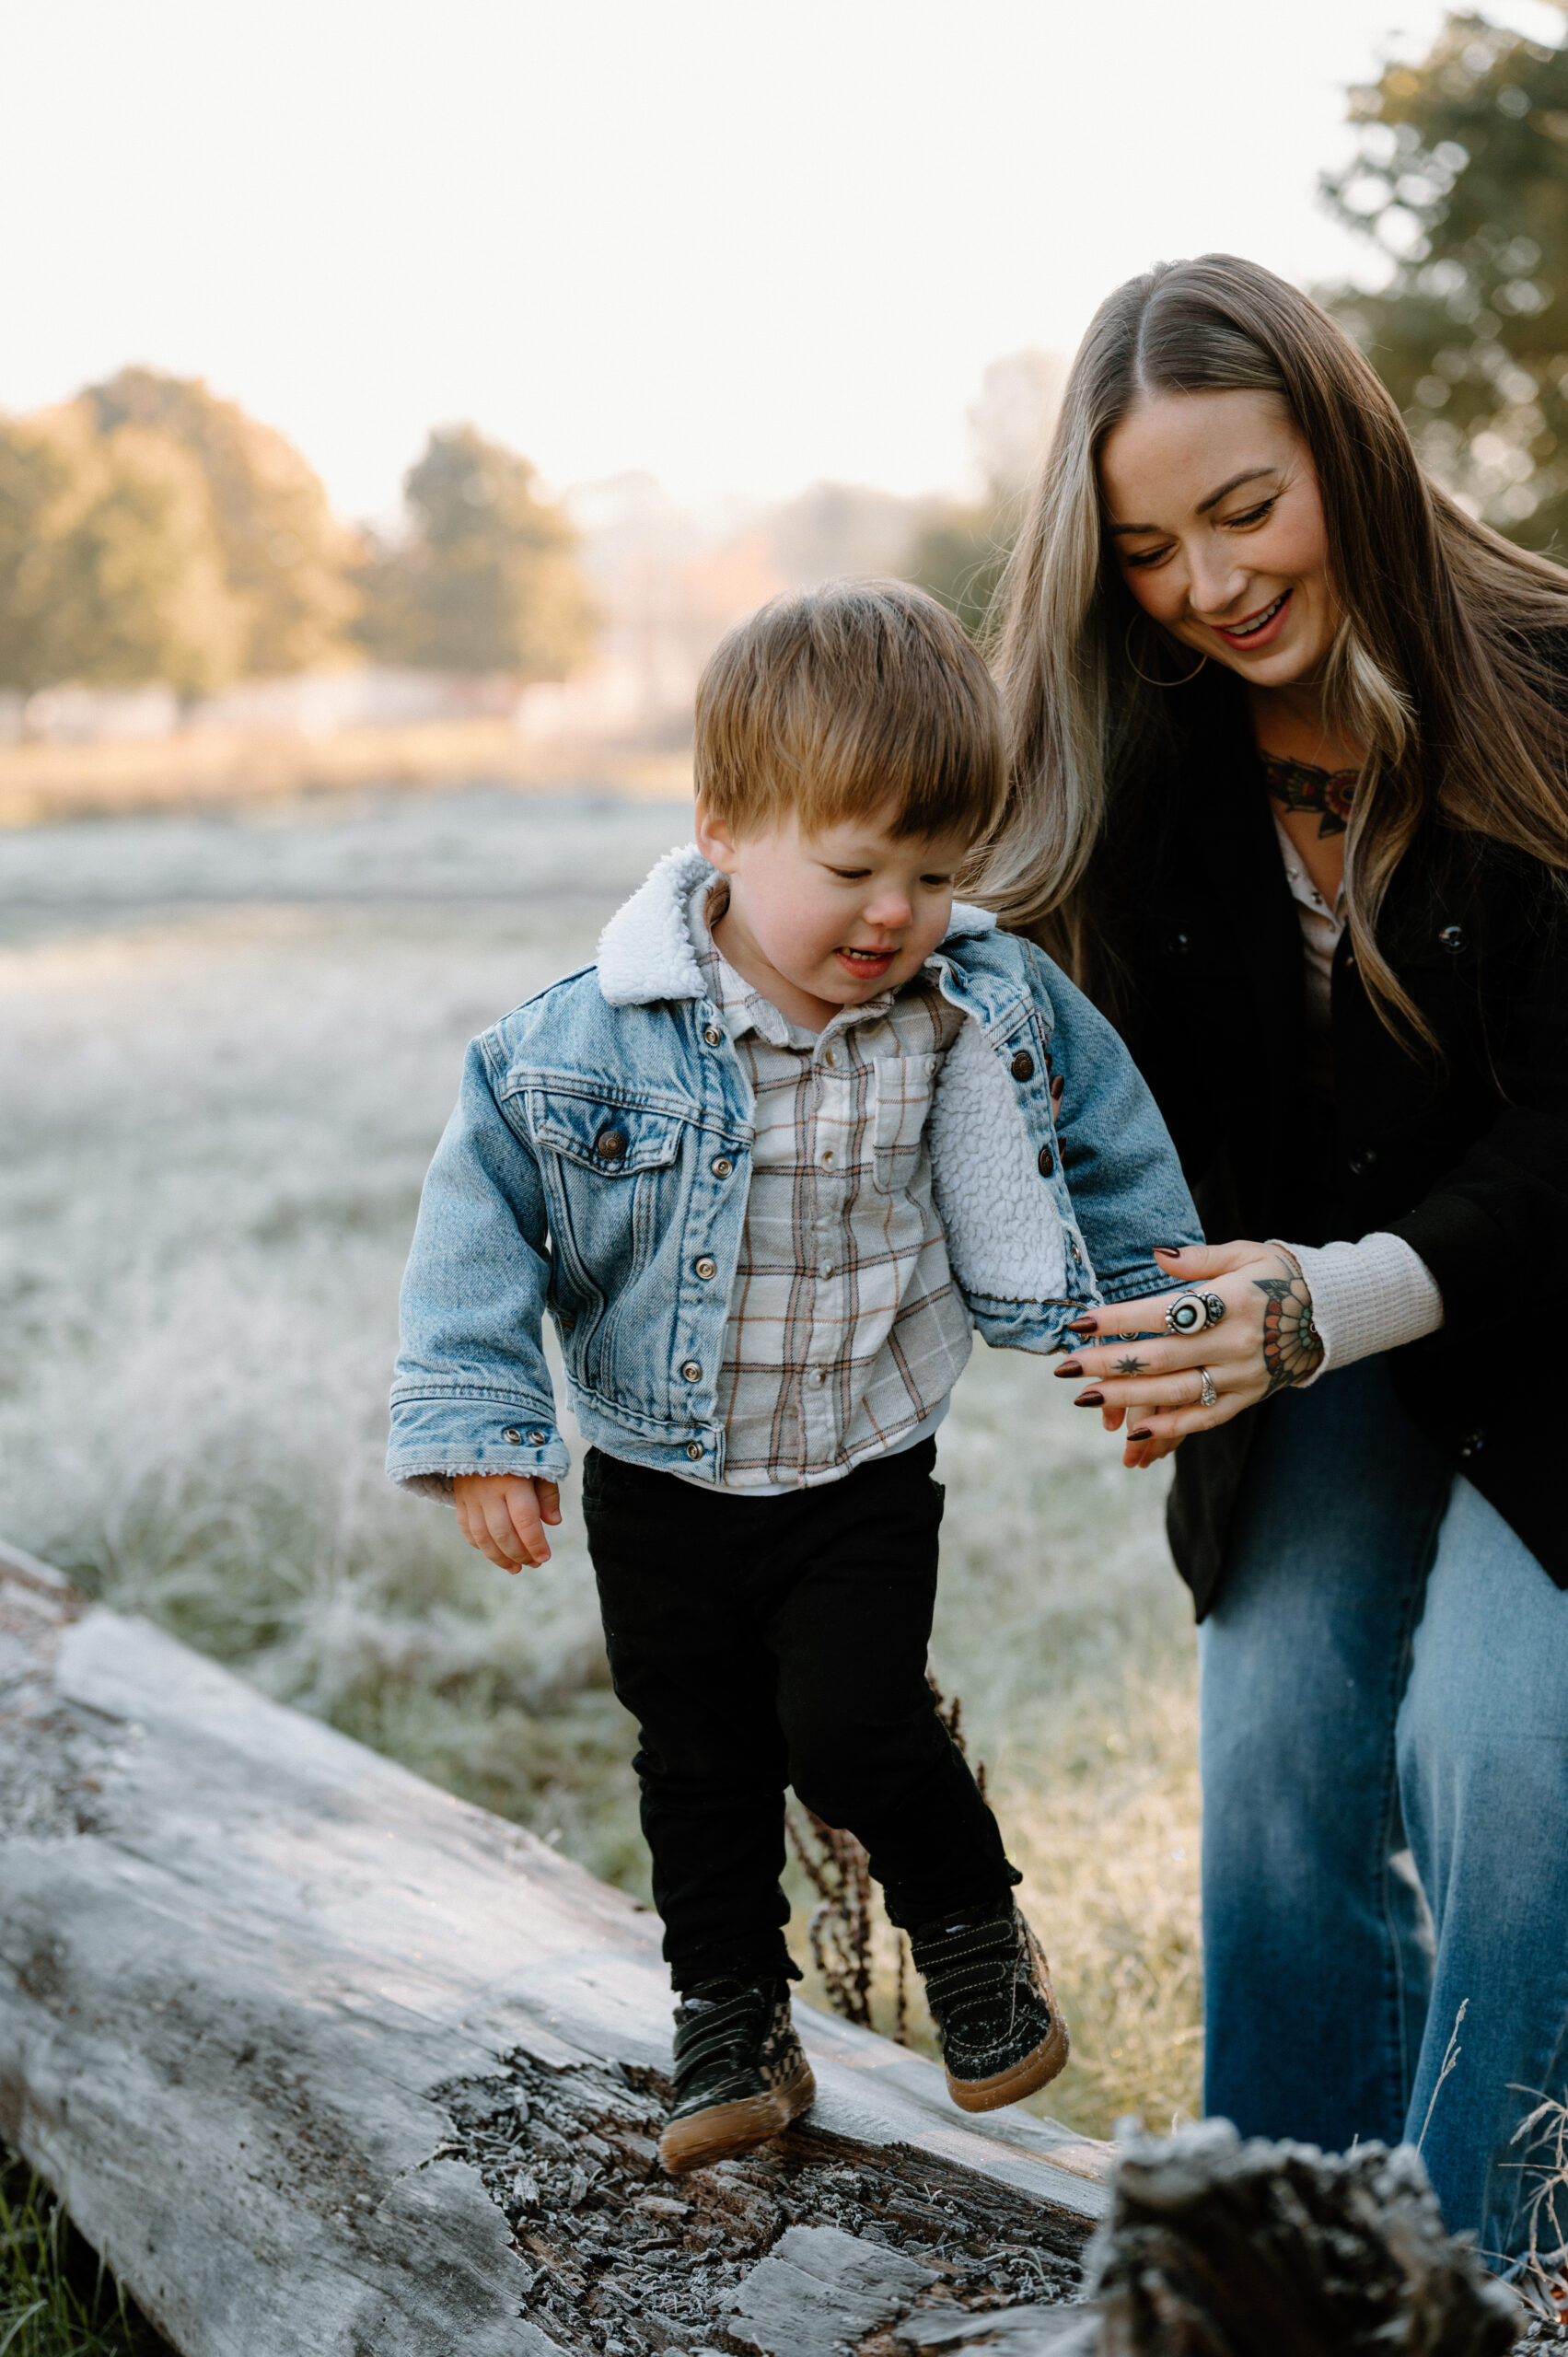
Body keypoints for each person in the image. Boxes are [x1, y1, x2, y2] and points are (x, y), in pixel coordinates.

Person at [387, 580, 1200, 2174]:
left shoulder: (975, 1007)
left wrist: (1149, 1333)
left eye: (934, 872)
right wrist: (491, 1431)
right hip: (662, 1476)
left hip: (861, 1466)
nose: (895, 913)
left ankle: (972, 1944)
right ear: (721, 830)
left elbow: (1107, 1153)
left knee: (849, 1720)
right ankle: (730, 2020)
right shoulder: (580, 1047)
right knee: (694, 1754)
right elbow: (476, 1231)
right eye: (850, 868)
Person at [982, 252, 1568, 2270]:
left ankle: (1482, 2283)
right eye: (1149, 546)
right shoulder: (1141, 751)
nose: (1211, 585)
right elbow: (936, 917)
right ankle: (1264, 2278)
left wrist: (1323, 1300)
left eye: (1247, 508)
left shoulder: (1551, 683)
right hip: (1314, 1332)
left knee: (1498, 1753)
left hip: (1549, 1328)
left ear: (1350, 451)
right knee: (1275, 1743)